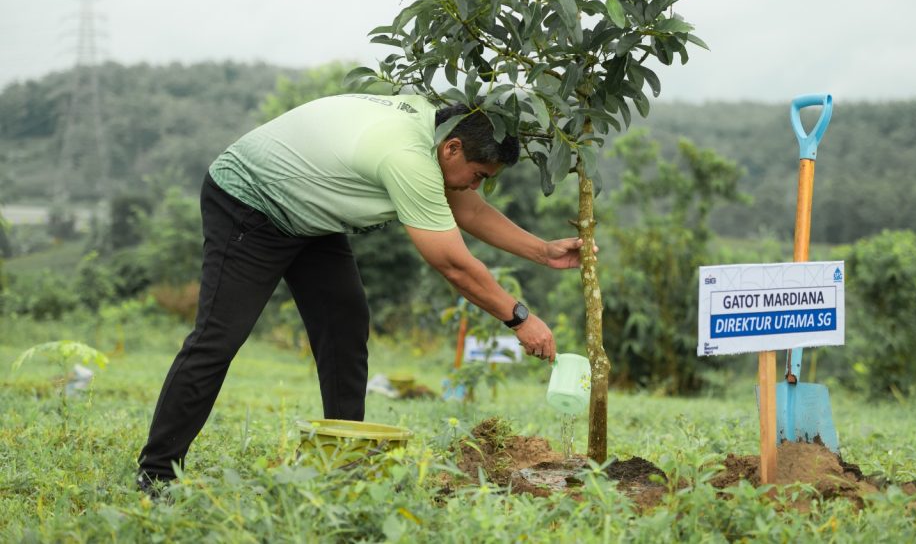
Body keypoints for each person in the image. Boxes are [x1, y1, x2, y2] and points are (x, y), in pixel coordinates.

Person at [136, 93, 584, 492]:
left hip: (310, 213)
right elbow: (452, 264)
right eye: (479, 173)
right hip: (250, 199)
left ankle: (344, 461)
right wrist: (520, 318)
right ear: (453, 149)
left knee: (345, 327)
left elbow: (468, 207)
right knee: (219, 337)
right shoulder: (409, 157)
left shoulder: (442, 130)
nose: (478, 184)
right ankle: (156, 473)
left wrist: (543, 252)